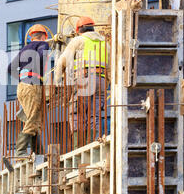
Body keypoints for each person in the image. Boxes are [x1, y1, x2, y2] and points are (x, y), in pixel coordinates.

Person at [54, 16, 110, 148]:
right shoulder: (105, 43)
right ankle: (92, 144)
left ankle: (78, 146)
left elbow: (62, 61)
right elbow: (111, 68)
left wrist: (58, 80)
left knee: (77, 112)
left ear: (79, 30)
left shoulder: (78, 40)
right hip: (101, 81)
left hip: (84, 79)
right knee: (94, 114)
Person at [8, 24, 50, 156]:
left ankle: (37, 152)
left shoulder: (24, 49)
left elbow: (10, 68)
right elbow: (42, 56)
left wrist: (23, 76)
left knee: (34, 118)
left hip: (22, 86)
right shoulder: (43, 45)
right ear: (44, 36)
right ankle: (20, 151)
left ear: (31, 37)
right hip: (32, 85)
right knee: (33, 118)